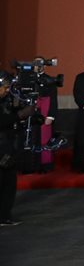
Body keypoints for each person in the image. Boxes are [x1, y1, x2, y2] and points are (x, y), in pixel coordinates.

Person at [0, 73, 37, 226]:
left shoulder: (6, 100)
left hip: (8, 145)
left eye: (9, 87)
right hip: (1, 147)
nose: (7, 90)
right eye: (4, 87)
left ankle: (4, 215)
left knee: (9, 182)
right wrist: (21, 115)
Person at [20, 58, 57, 174]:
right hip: (29, 112)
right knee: (29, 138)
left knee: (43, 138)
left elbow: (53, 99)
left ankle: (44, 166)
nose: (38, 65)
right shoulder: (26, 78)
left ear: (45, 66)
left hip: (44, 112)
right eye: (35, 63)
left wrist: (50, 116)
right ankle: (29, 166)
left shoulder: (50, 79)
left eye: (40, 63)